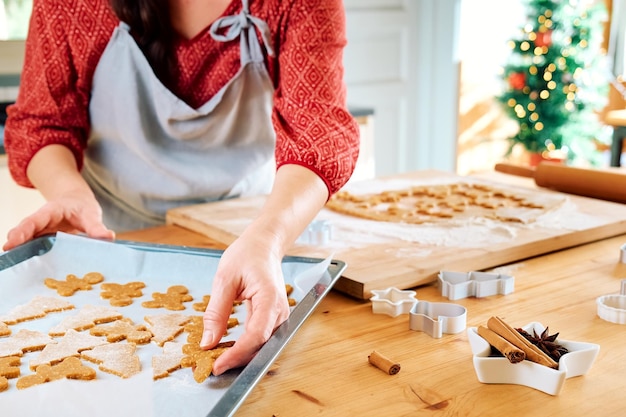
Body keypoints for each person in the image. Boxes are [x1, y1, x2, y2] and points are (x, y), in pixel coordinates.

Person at [3, 0, 359, 375]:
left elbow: (318, 135)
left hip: (251, 232)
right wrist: (67, 193)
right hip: (111, 235)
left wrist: (268, 238)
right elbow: (43, 123)